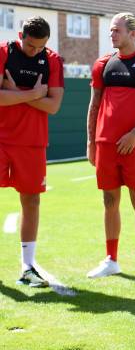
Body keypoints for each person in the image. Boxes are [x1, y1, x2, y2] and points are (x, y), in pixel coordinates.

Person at [86, 12, 135, 281]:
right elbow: (94, 105)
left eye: (116, 30)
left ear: (132, 33)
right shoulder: (102, 64)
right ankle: (111, 260)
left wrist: (134, 133)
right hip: (105, 144)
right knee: (109, 201)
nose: (112, 34)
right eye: (111, 30)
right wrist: (90, 141)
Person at [0, 16, 64, 287]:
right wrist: (35, 94)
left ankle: (27, 267)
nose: (34, 51)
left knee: (32, 202)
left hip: (33, 142)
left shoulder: (53, 60)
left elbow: (54, 106)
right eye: (30, 46)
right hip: (1, 139)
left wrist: (14, 92)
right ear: (20, 35)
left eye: (40, 47)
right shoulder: (3, 52)